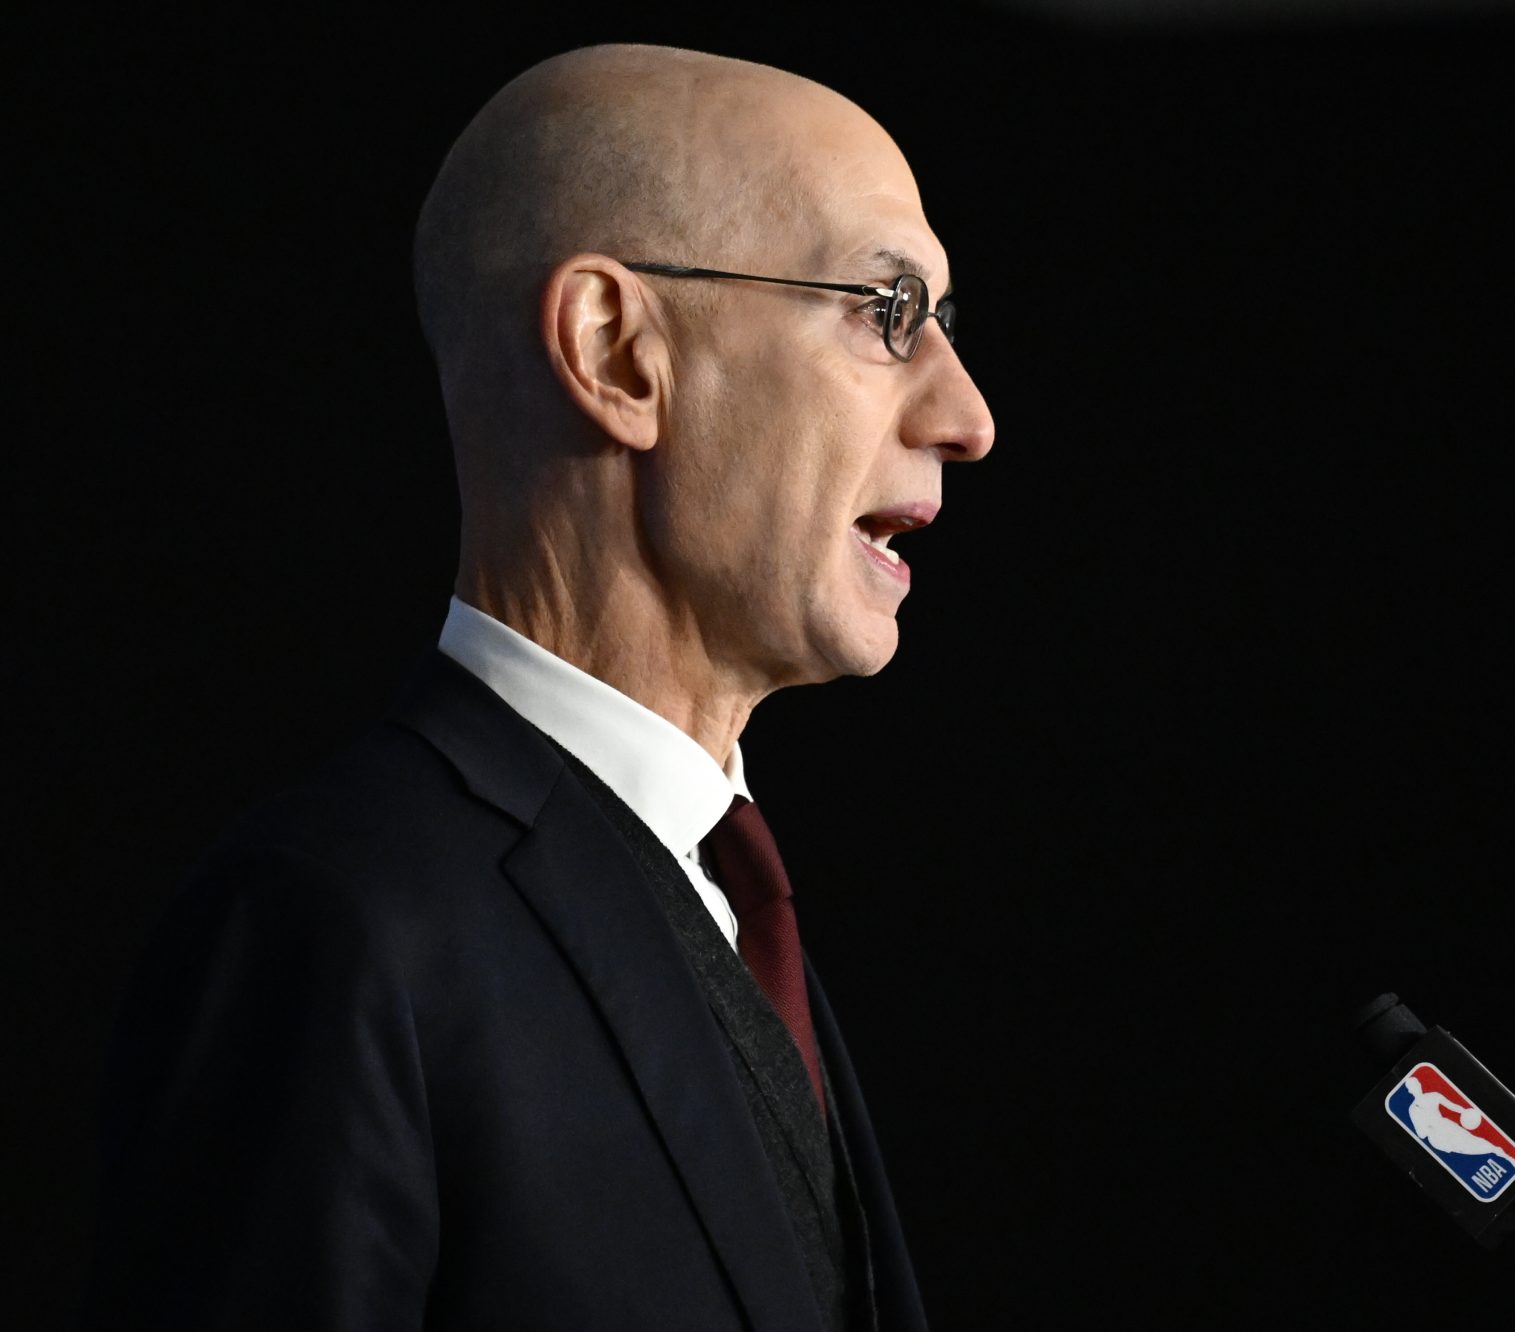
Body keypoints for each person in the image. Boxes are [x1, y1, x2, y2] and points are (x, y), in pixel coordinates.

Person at [83, 43, 994, 1332]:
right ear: (616, 353)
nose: (967, 416)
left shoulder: (734, 903)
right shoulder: (329, 927)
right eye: (885, 310)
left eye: (943, 322)